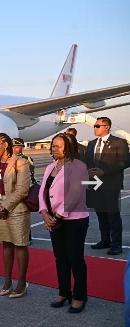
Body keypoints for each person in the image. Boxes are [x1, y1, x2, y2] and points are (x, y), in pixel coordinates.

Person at [39, 133, 90, 313]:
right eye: (53, 145)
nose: (55, 149)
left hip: (73, 220)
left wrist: (57, 216)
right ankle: (64, 292)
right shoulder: (50, 167)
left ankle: (80, 296)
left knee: (75, 259)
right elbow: (42, 191)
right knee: (60, 258)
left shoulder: (78, 166)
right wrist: (45, 214)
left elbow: (75, 195)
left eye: (59, 146)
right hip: (54, 220)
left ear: (69, 147)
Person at [0, 134, 31, 298]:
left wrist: (3, 207)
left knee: (20, 245)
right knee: (6, 245)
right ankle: (8, 280)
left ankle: (22, 282)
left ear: (5, 145)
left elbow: (22, 189)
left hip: (16, 210)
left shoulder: (20, 162)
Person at [85, 117, 130, 255]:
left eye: (98, 126)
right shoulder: (91, 144)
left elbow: (125, 162)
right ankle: (105, 240)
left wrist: (105, 171)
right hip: (95, 184)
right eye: (94, 125)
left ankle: (116, 244)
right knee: (101, 214)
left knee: (113, 215)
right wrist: (88, 171)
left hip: (111, 185)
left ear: (107, 127)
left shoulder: (119, 142)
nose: (95, 128)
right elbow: (87, 162)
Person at [12, 137, 35, 243]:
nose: (14, 149)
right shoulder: (9, 159)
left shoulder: (26, 159)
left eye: (17, 147)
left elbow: (30, 176)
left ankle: (27, 237)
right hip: (12, 191)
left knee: (24, 216)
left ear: (22, 147)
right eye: (13, 147)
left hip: (23, 191)